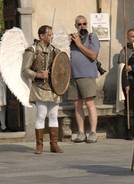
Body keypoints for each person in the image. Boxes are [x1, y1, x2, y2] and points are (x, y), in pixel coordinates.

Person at [22, 25, 63, 154]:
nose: (51, 36)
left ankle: (54, 144)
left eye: (51, 34)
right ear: (41, 36)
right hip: (39, 87)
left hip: (53, 87)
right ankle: (39, 145)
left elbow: (61, 67)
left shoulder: (55, 51)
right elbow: (25, 70)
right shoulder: (32, 50)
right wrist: (38, 75)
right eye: (49, 34)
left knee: (53, 115)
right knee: (41, 114)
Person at [67, 15, 100, 143]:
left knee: (90, 104)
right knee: (77, 105)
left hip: (87, 75)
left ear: (87, 24)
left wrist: (79, 44)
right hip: (73, 75)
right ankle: (81, 132)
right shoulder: (72, 39)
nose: (82, 26)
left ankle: (93, 132)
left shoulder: (92, 37)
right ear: (75, 26)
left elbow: (93, 55)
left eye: (84, 23)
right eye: (79, 24)